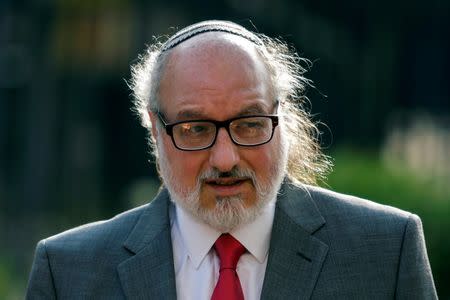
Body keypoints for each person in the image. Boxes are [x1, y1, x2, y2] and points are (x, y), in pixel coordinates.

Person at [26, 20, 437, 299]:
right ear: (155, 129)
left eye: (249, 124)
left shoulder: (385, 251)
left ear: (280, 115)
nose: (225, 159)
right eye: (195, 129)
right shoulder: (69, 271)